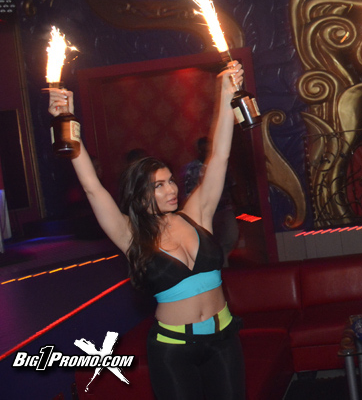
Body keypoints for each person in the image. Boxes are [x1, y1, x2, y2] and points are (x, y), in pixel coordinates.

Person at [47, 62, 246, 399]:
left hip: (224, 338)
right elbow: (93, 188)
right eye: (159, 186)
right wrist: (65, 121)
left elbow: (219, 157)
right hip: (173, 350)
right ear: (140, 196)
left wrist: (227, 94)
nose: (171, 190)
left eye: (170, 181)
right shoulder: (131, 235)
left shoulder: (196, 214)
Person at [183, 136, 239, 267]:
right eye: (203, 149)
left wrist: (237, 203)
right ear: (198, 150)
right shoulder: (192, 168)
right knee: (210, 241)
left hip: (224, 208)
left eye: (208, 148)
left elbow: (232, 185)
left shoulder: (221, 166)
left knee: (231, 236)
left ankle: (224, 263)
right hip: (203, 211)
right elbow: (188, 193)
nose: (206, 152)